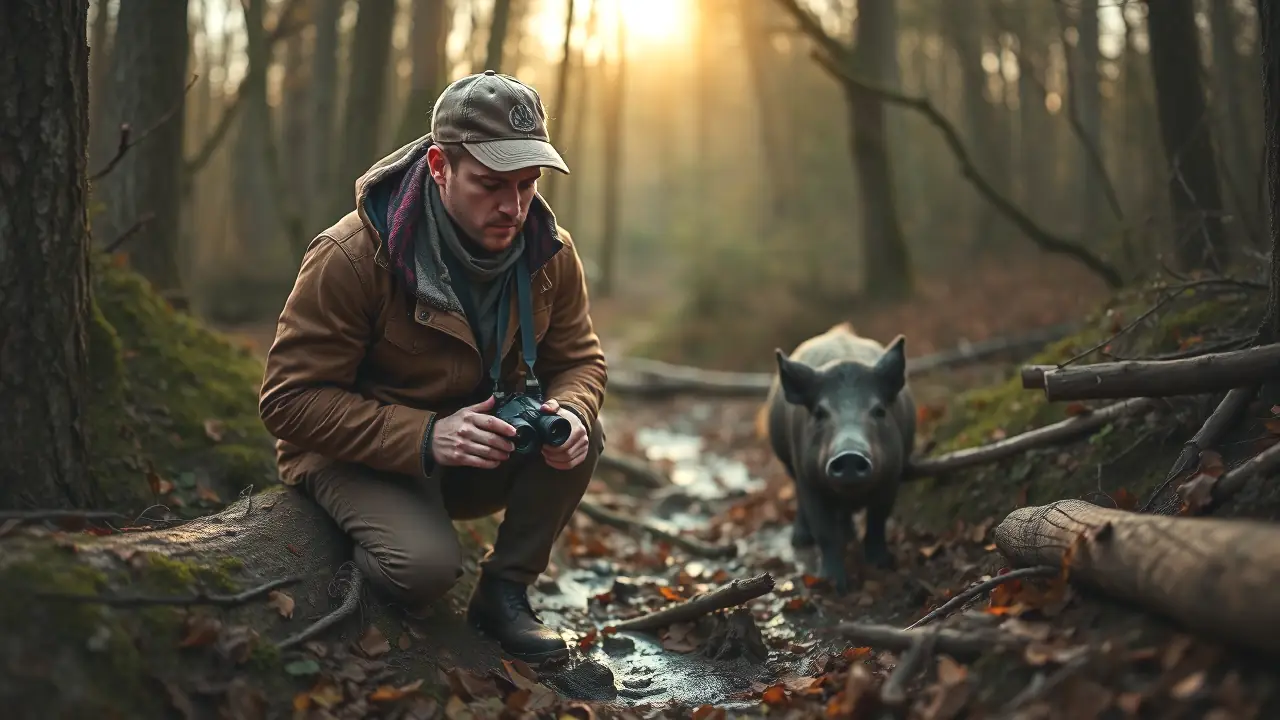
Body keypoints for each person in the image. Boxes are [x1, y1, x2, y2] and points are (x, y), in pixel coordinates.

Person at [258, 70, 607, 663]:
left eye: (528, 184)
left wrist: (571, 411)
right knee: (423, 570)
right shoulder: (351, 256)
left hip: (476, 453)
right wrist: (426, 435)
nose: (513, 206)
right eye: (491, 185)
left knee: (584, 433)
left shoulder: (551, 252)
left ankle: (504, 595)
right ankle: (383, 535)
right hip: (358, 455)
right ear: (441, 166)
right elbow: (288, 401)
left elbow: (578, 359)